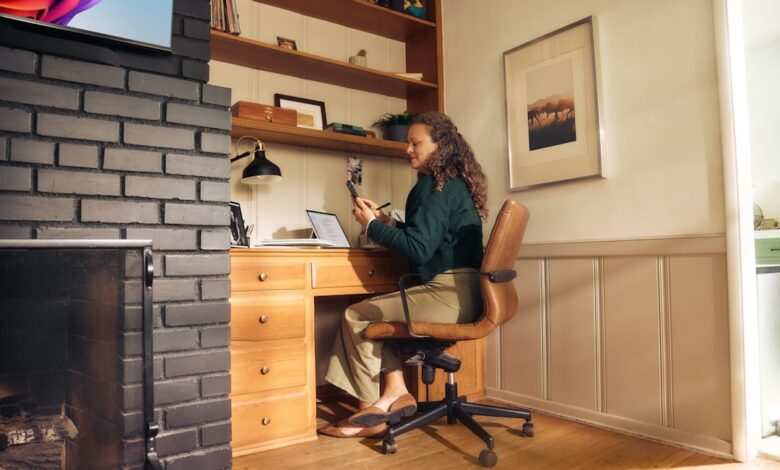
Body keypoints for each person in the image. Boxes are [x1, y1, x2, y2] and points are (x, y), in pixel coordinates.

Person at [320, 111, 488, 438]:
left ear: (440, 145)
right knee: (383, 316)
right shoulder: (451, 184)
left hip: (447, 294)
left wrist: (369, 226)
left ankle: (370, 412)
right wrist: (385, 221)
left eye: (415, 142)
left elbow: (418, 250)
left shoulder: (432, 187)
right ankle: (394, 392)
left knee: (357, 314)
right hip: (467, 293)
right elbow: (429, 239)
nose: (407, 149)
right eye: (407, 142)